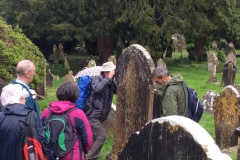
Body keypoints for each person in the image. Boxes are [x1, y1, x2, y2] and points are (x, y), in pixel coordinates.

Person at [41, 81, 93, 160]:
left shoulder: (47, 112)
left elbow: (39, 133)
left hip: (49, 155)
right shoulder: (78, 114)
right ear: (75, 95)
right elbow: (87, 139)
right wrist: (84, 150)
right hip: (73, 156)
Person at [0, 83, 53, 160]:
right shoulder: (31, 115)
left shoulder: (1, 117)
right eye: (25, 98)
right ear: (21, 98)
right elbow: (42, 141)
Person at [84, 61, 116, 160]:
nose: (114, 72)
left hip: (101, 116)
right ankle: (92, 158)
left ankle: (84, 155)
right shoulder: (96, 79)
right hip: (92, 115)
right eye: (113, 70)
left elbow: (117, 90)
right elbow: (97, 89)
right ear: (107, 72)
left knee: (94, 138)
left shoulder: (110, 81)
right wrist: (108, 78)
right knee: (101, 136)